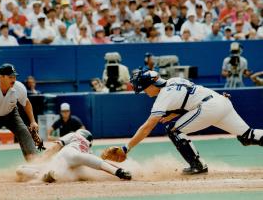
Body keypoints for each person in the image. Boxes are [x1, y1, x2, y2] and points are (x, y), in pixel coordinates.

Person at [111, 67, 263, 175]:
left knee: (173, 130)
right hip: (221, 101)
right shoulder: (174, 80)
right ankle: (197, 165)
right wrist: (175, 113)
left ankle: (197, 166)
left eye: (144, 88)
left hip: (209, 107)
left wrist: (126, 148)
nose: (144, 91)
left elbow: (147, 127)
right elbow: (187, 98)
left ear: (151, 85)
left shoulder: (163, 97)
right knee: (247, 136)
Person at [16, 129, 131, 182]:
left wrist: (40, 158)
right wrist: (113, 165)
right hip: (78, 157)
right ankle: (120, 172)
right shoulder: (88, 148)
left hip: (63, 155)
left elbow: (55, 147)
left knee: (22, 169)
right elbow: (97, 163)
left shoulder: (74, 135)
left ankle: (43, 175)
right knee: (99, 164)